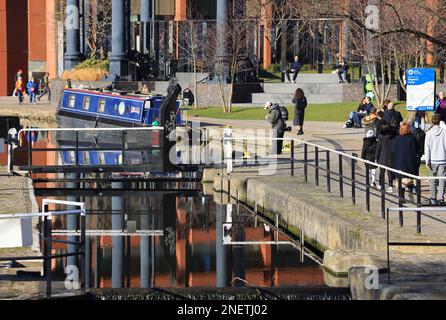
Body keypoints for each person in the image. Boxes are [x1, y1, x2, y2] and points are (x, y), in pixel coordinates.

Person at [391, 123, 421, 199]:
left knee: (401, 181)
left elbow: (392, 151)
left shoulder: (396, 139)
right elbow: (419, 150)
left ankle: (401, 197)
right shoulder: (413, 139)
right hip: (410, 164)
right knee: (410, 179)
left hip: (399, 163)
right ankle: (411, 191)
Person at [424, 114, 446, 205]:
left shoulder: (429, 133)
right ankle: (441, 198)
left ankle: (433, 198)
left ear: (432, 122)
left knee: (432, 180)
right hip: (442, 159)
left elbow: (427, 148)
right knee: (442, 179)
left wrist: (427, 160)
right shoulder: (444, 132)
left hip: (432, 160)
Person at [375, 123, 398, 192]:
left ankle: (381, 184)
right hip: (391, 156)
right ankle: (390, 185)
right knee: (390, 171)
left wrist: (376, 157)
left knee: (382, 171)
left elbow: (378, 147)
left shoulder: (381, 136)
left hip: (382, 156)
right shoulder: (394, 135)